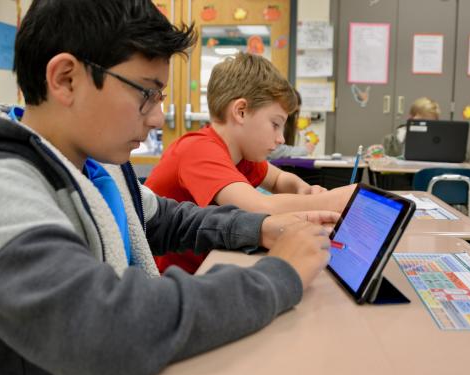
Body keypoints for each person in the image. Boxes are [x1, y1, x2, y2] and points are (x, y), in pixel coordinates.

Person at [0, 1, 340, 375]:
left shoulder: (97, 166)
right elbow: (98, 329)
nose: (158, 119)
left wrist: (261, 228)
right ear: (66, 79)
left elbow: (165, 217)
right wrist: (278, 275)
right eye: (147, 94)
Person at [145, 52, 355, 274]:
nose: (281, 138)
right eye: (275, 124)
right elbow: (257, 208)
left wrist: (303, 189)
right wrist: (333, 199)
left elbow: (279, 179)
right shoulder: (198, 150)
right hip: (171, 280)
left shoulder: (242, 156)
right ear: (241, 112)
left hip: (208, 264)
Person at [268, 89, 316, 159]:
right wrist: (304, 150)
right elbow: (274, 151)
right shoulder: (271, 121)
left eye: (295, 112)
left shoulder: (289, 125)